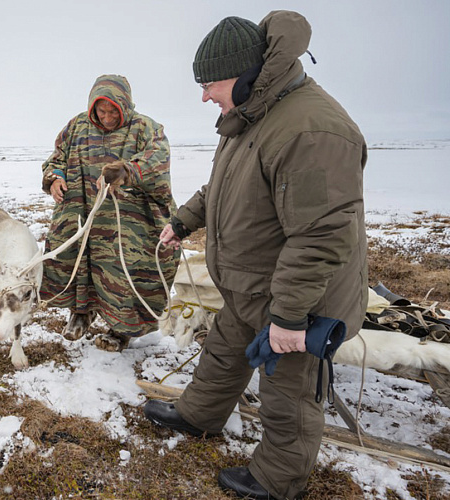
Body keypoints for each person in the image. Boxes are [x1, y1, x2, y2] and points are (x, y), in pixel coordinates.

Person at [143, 12, 367, 500]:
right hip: (255, 285)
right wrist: (182, 222)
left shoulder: (310, 130)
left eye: (209, 84)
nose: (204, 96)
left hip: (301, 299)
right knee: (224, 348)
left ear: (245, 75)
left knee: (286, 388)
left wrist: (289, 319)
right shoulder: (250, 115)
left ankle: (277, 478)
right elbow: (223, 189)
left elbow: (321, 235)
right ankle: (199, 415)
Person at [40, 74, 179, 352]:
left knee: (123, 275)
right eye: (100, 111)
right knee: (79, 264)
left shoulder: (145, 128)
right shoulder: (77, 126)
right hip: (82, 214)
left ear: (124, 106)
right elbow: (57, 158)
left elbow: (157, 162)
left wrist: (127, 170)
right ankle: (81, 313)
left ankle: (121, 329)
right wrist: (54, 178)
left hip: (126, 222)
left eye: (112, 111)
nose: (106, 117)